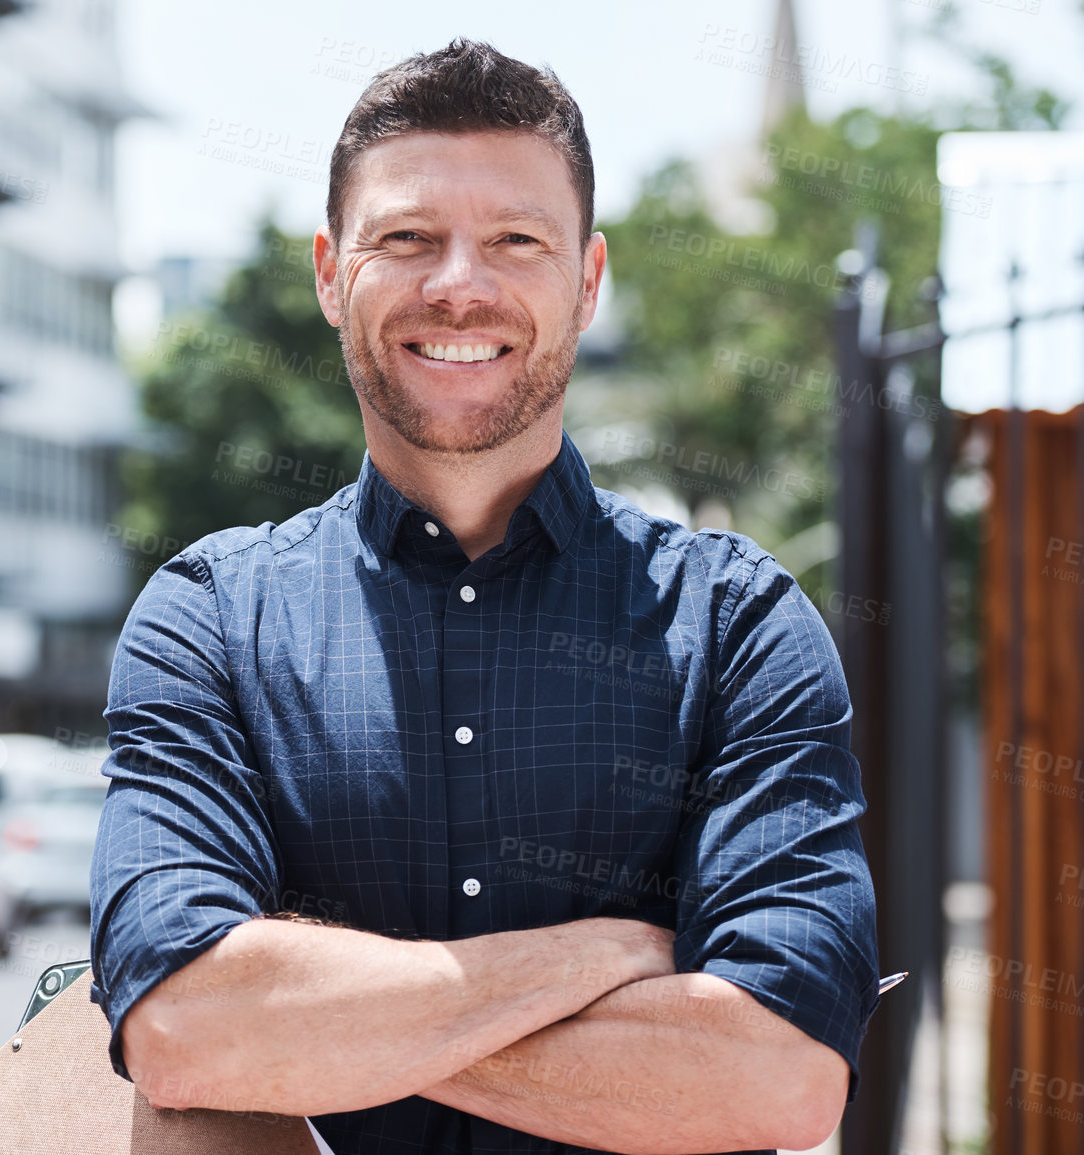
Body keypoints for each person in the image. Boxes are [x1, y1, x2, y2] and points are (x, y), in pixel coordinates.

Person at [88, 38, 879, 1155]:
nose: (460, 284)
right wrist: (595, 960)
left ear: (589, 281)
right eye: (406, 239)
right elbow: (184, 1029)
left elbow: (776, 1077)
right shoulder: (208, 620)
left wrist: (324, 1030)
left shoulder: (739, 630)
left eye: (516, 240)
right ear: (329, 273)